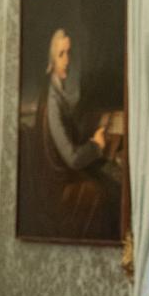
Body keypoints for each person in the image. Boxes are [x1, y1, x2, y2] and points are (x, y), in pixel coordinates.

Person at [32, 27, 122, 239]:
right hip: (55, 185)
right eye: (61, 54)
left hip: (62, 173)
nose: (67, 61)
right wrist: (96, 145)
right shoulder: (52, 100)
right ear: (52, 60)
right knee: (102, 193)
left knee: (110, 179)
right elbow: (71, 158)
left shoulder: (58, 93)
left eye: (69, 53)